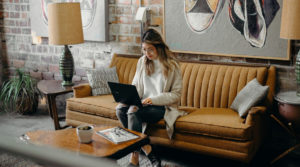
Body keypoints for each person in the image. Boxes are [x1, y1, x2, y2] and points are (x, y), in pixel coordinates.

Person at [116, 29, 186, 167]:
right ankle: (148, 149)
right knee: (120, 109)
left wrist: (153, 100)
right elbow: (136, 85)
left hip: (161, 107)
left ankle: (134, 158)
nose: (147, 54)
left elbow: (176, 95)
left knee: (133, 112)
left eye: (150, 50)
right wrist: (129, 97)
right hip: (143, 103)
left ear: (159, 47)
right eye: (144, 50)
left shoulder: (172, 65)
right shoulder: (142, 62)